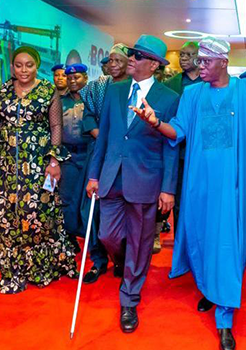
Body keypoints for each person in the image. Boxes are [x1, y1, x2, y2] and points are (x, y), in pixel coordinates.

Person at [133, 36, 246, 350]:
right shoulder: (192, 95)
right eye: (198, 62)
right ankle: (212, 290)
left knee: (230, 245)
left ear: (223, 61)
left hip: (237, 186)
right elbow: (178, 131)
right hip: (201, 185)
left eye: (206, 62)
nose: (200, 67)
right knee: (204, 238)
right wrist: (156, 123)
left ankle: (225, 317)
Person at [86, 34, 179, 334]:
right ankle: (128, 262)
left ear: (152, 64)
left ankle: (129, 297)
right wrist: (93, 175)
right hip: (112, 176)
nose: (131, 59)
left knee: (139, 240)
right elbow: (105, 137)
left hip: (146, 180)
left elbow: (171, 145)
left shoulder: (168, 98)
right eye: (131, 54)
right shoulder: (115, 91)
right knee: (108, 235)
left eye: (137, 56)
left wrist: (168, 188)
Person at [0, 46, 77, 294]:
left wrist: (53, 162)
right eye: (18, 65)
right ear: (12, 66)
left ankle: (40, 268)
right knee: (10, 217)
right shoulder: (4, 91)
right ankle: (13, 271)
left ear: (37, 65)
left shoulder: (47, 90)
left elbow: (55, 127)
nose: (23, 70)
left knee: (36, 216)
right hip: (8, 167)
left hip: (38, 166)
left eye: (29, 65)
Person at [79, 43, 130, 284]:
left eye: (120, 60)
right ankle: (98, 261)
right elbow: (88, 117)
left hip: (128, 162)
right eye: (111, 60)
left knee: (126, 217)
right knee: (94, 211)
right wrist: (105, 138)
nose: (115, 65)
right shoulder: (96, 88)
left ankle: (123, 260)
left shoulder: (135, 88)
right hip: (101, 156)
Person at [152, 41, 204, 254]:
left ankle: (194, 241)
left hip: (200, 152)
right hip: (174, 149)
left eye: (188, 55)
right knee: (170, 194)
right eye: (181, 54)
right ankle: (163, 236)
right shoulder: (171, 84)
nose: (183, 58)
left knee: (197, 199)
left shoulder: (208, 83)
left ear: (199, 59)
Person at [58, 63, 90, 252]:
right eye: (69, 78)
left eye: (76, 77)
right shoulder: (60, 102)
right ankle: (69, 237)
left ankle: (88, 236)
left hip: (89, 154)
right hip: (68, 155)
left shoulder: (93, 100)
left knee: (86, 198)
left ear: (85, 78)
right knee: (67, 197)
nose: (72, 81)